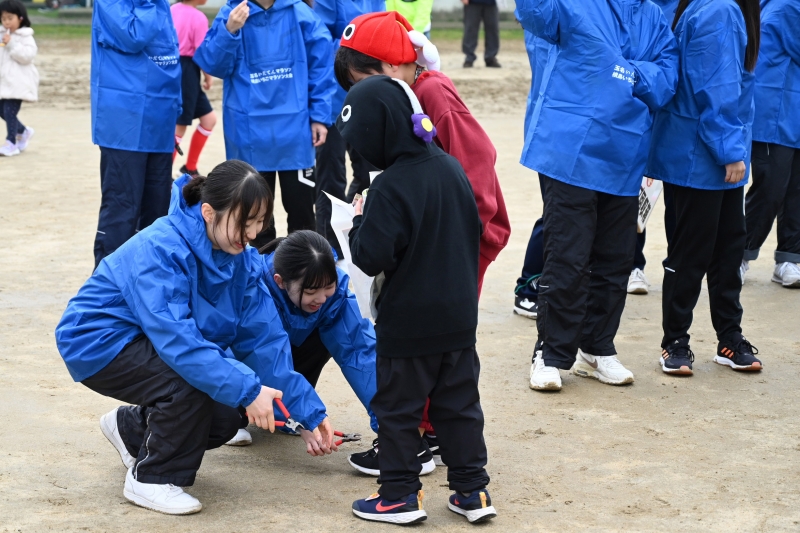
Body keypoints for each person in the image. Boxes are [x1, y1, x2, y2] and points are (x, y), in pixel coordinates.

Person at [55, 162, 337, 516]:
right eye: (244, 222)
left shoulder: (241, 261)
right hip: (97, 338)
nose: (252, 233)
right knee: (192, 383)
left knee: (227, 416)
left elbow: (262, 342)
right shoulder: (162, 247)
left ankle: (130, 429)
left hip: (147, 340)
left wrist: (307, 410)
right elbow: (178, 341)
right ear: (208, 212)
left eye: (259, 222)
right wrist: (248, 389)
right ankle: (152, 479)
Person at [334, 10, 510, 472]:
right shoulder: (408, 95)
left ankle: (414, 438)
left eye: (366, 81)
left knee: (430, 339)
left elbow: (477, 165)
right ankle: (428, 433)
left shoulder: (432, 94)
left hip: (460, 238)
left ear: (394, 66)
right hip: (431, 234)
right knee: (431, 339)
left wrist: (455, 232)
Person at [342, 75, 494, 525]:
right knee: (459, 408)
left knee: (398, 410)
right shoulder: (451, 167)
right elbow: (472, 229)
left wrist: (358, 221)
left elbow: (370, 257)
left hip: (408, 325)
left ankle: (398, 495)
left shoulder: (389, 186)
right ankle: (472, 491)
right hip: (458, 320)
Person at [516, 0, 679, 391]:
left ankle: (597, 347)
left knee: (615, 258)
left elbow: (666, 79)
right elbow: (534, 13)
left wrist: (627, 72)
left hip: (624, 154)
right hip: (570, 150)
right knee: (567, 256)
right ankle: (550, 354)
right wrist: (628, 72)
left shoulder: (654, 17)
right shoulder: (574, 4)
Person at [224, 230, 439, 473]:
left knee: (339, 334)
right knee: (225, 421)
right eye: (311, 290)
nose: (321, 298)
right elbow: (266, 359)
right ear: (279, 281)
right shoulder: (253, 287)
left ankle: (287, 415)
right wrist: (311, 416)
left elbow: (362, 353)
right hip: (240, 360)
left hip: (282, 358)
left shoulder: (334, 293)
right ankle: (239, 412)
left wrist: (396, 427)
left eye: (328, 286)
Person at [647, 0, 763, 375]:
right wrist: (729, 150)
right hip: (702, 155)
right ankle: (675, 341)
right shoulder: (720, 10)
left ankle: (729, 337)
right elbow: (716, 86)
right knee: (692, 253)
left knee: (727, 249)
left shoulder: (712, 7)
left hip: (704, 150)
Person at [194, 0, 335, 249]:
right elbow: (212, 64)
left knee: (302, 215)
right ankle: (260, 271)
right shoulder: (232, 13)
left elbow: (321, 66)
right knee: (254, 220)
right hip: (248, 134)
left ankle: (302, 269)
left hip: (295, 132)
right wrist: (229, 30)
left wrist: (320, 117)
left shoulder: (299, 13)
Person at [90, 0, 182, 268]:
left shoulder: (159, 5)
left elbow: (170, 56)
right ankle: (109, 284)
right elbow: (133, 35)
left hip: (160, 119)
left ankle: (149, 279)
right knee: (122, 208)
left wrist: (176, 107)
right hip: (124, 122)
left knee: (157, 211)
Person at [312, 0, 384, 258]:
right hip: (331, 101)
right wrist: (358, 49)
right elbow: (320, 41)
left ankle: (354, 228)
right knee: (331, 179)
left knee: (370, 175)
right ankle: (329, 250)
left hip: (365, 99)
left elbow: (381, 33)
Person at [742, 0, 800, 288]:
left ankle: (789, 257)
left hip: (793, 112)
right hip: (775, 115)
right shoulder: (788, 7)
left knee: (796, 191)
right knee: (770, 188)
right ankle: (738, 254)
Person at [171, 0, 216, 178]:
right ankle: (162, 174)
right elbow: (200, 52)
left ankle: (190, 168)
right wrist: (208, 77)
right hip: (187, 71)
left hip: (171, 67)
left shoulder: (171, 9)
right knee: (180, 125)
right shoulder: (199, 17)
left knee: (209, 120)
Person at [0, 0, 37, 157]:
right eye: (3, 19)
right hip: (4, 82)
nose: (7, 22)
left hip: (18, 82)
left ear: (20, 18)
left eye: (10, 18)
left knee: (10, 111)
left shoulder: (26, 36)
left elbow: (27, 56)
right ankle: (23, 131)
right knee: (3, 111)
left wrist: (11, 44)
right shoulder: (2, 35)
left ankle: (11, 143)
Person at [461, 0, 500, 68]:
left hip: (491, 3)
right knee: (470, 30)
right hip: (472, 3)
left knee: (492, 30)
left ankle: (490, 57)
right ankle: (469, 58)